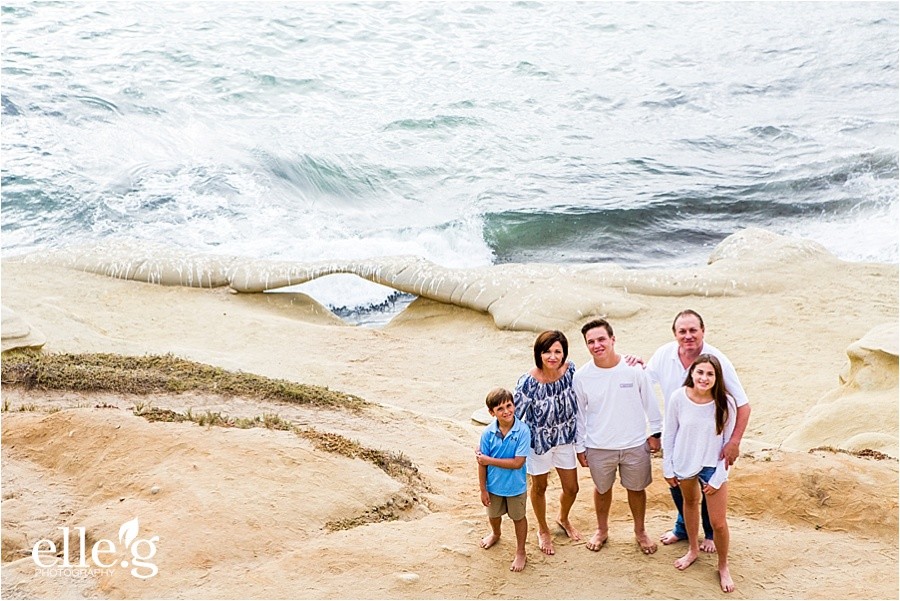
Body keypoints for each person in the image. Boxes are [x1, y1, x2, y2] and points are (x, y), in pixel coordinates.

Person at [645, 309, 751, 553]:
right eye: (682, 331)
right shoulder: (664, 354)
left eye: (694, 330)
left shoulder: (717, 361)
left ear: (703, 331)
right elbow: (644, 381)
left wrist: (734, 442)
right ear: (675, 334)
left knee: (708, 486)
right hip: (680, 433)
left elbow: (743, 406)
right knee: (679, 485)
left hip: (710, 438)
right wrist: (628, 365)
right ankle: (682, 529)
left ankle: (710, 534)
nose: (688, 336)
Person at [573, 319, 662, 555]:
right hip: (598, 446)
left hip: (634, 443)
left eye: (601, 339)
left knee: (636, 489)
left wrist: (655, 433)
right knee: (602, 490)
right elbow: (580, 415)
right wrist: (580, 447)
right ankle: (602, 530)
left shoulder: (634, 369)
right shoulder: (581, 377)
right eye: (590, 342)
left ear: (613, 339)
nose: (596, 345)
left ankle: (640, 531)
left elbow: (650, 402)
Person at [662, 354, 737, 593]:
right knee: (690, 504)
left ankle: (723, 566)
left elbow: (727, 446)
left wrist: (718, 477)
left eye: (710, 374)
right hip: (684, 464)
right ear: (692, 373)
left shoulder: (725, 403)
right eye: (700, 372)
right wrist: (667, 466)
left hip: (712, 466)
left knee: (718, 523)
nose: (704, 378)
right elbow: (669, 434)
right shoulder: (678, 397)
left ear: (717, 378)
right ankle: (693, 549)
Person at [513, 330, 581, 556]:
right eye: (547, 352)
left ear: (564, 353)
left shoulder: (571, 371)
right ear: (539, 354)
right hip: (538, 443)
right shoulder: (528, 382)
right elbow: (515, 416)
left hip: (565, 440)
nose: (553, 357)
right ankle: (543, 529)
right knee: (539, 487)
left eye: (557, 351)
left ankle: (563, 518)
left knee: (572, 488)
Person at [476, 387, 531, 572]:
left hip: (516, 486)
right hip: (493, 485)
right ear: (492, 413)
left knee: (519, 518)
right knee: (493, 515)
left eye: (509, 405)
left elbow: (517, 463)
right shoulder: (487, 434)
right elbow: (481, 464)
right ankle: (496, 533)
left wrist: (488, 459)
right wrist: (483, 489)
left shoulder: (523, 431)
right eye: (500, 409)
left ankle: (521, 551)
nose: (506, 411)